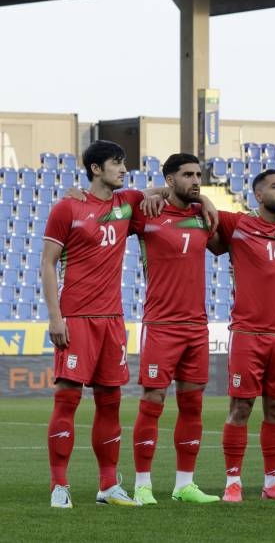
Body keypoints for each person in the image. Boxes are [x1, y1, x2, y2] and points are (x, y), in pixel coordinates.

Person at [42, 141, 147, 508]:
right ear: (96, 169)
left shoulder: (127, 204)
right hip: (76, 318)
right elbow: (48, 263)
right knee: (67, 398)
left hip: (112, 320)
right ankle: (59, 486)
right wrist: (55, 317)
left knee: (111, 402)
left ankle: (108, 486)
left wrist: (207, 201)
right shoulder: (68, 207)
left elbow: (167, 191)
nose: (124, 169)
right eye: (116, 163)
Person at [129, 153, 220, 505]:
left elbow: (230, 241)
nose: (196, 180)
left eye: (198, 175)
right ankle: (142, 484)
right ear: (170, 180)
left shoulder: (203, 216)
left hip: (196, 326)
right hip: (161, 325)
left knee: (192, 405)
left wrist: (206, 199)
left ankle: (185, 485)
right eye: (187, 175)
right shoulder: (148, 212)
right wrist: (156, 192)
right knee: (153, 401)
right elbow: (118, 201)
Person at [213, 169, 275, 502]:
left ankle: (272, 484)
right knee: (241, 407)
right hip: (247, 332)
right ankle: (232, 483)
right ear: (257, 194)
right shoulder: (237, 224)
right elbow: (195, 204)